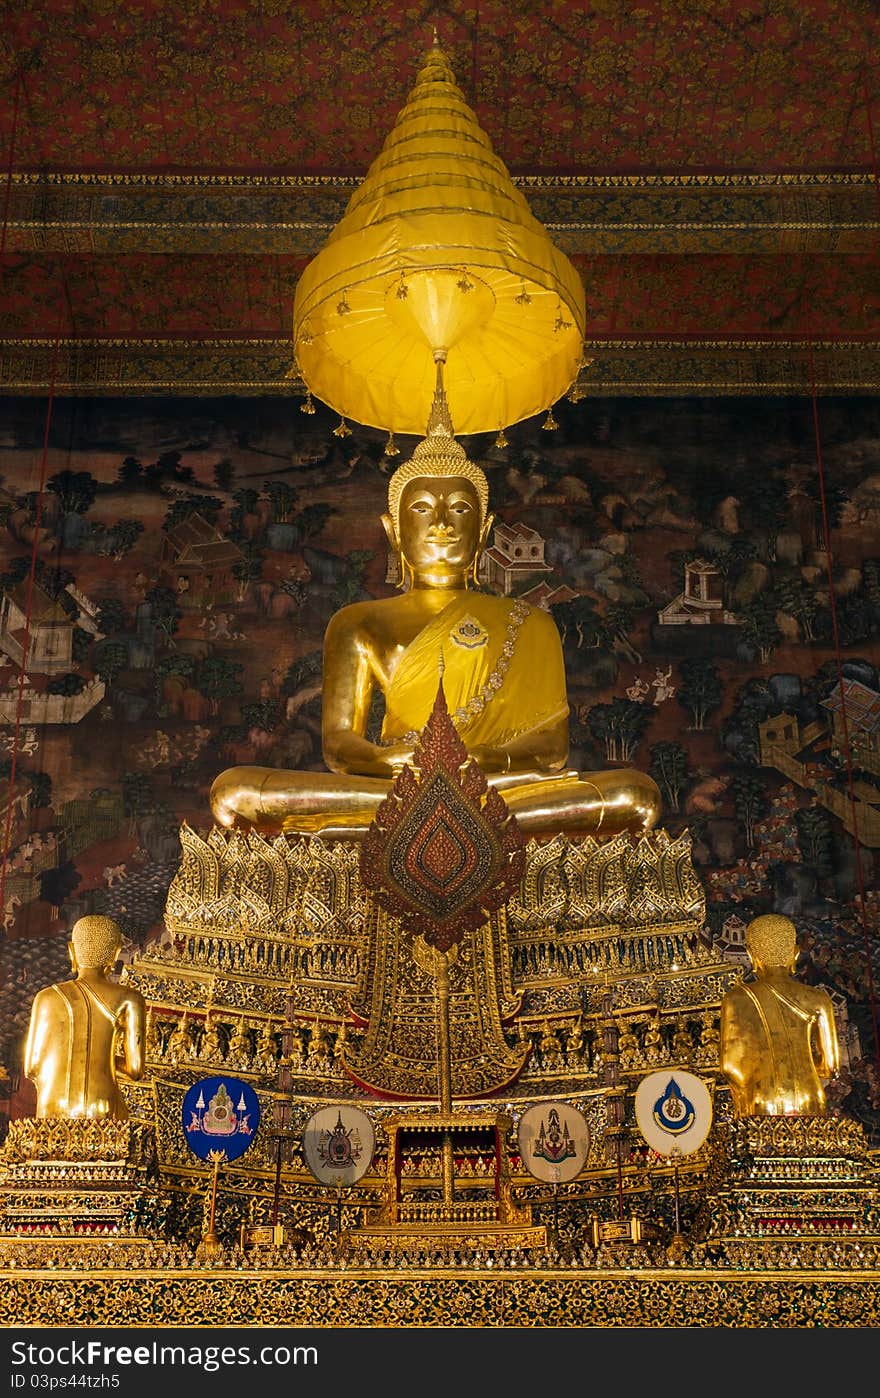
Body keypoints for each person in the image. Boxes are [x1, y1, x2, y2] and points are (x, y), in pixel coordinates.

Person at [210, 384, 662, 840]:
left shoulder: (530, 622)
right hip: (393, 788)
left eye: (460, 508)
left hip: (496, 788)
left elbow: (550, 749)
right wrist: (395, 761)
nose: (442, 524)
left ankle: (396, 827)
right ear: (394, 531)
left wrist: (486, 761)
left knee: (632, 795)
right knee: (235, 793)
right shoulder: (357, 622)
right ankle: (433, 821)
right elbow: (341, 746)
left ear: (484, 530)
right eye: (423, 508)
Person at [23, 915, 146, 1120]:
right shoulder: (129, 998)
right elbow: (135, 1070)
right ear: (114, 955)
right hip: (101, 1107)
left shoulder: (44, 998)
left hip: (50, 1110)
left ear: (72, 951)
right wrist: (99, 1056)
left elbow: (32, 1068)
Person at [720, 913, 840, 1117]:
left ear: (751, 955)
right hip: (810, 1099)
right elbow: (830, 1068)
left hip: (759, 1099)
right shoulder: (818, 999)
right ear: (794, 954)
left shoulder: (735, 999)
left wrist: (744, 1100)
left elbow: (729, 1064)